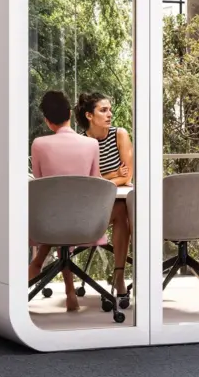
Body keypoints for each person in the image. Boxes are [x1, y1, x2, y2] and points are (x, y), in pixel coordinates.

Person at [28, 90, 101, 312]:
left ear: (47, 121)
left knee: (57, 218)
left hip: (49, 222)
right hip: (85, 222)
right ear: (70, 113)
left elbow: (41, 185)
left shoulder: (39, 144)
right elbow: (96, 183)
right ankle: (70, 291)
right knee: (66, 221)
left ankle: (37, 267)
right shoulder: (91, 145)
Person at [75, 92, 133, 301]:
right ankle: (118, 275)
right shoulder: (80, 142)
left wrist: (105, 178)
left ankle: (119, 275)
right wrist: (115, 175)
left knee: (123, 211)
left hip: (117, 202)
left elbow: (128, 176)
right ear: (90, 116)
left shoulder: (120, 134)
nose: (110, 114)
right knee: (120, 211)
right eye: (103, 110)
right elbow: (87, 181)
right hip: (90, 206)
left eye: (109, 109)